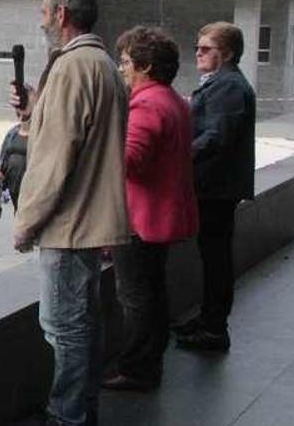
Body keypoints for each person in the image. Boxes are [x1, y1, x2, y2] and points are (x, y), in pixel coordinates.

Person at [12, 0, 129, 426]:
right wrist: (34, 110)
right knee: (83, 326)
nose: (41, 21)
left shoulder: (70, 67)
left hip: (69, 225)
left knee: (65, 330)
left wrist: (26, 222)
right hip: (90, 222)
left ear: (61, 14)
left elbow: (54, 157)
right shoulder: (100, 63)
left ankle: (67, 416)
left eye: (44, 12)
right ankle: (81, 412)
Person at [102, 26, 198, 391]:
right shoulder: (174, 100)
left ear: (144, 65)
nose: (122, 68)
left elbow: (129, 161)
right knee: (154, 292)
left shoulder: (146, 103)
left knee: (136, 297)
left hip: (142, 221)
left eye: (126, 62)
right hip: (163, 219)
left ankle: (138, 368)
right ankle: (150, 361)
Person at [174, 22, 257, 353]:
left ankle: (214, 328)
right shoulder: (222, 83)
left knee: (216, 259)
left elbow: (216, 135)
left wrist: (178, 157)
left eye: (206, 48)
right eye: (198, 47)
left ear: (228, 53)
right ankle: (209, 319)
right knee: (213, 257)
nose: (198, 53)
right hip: (214, 186)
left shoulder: (229, 86)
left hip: (216, 189)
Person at [0, 120, 29, 212]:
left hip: (29, 179)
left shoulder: (38, 133)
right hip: (13, 179)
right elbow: (4, 152)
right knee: (17, 208)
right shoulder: (13, 132)